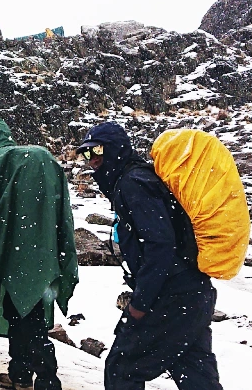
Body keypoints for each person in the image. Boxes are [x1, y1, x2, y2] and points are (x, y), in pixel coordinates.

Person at [77, 123, 221, 390]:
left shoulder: (133, 183)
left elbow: (160, 245)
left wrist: (140, 304)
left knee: (123, 368)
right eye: (86, 154)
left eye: (97, 151)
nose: (93, 160)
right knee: (195, 373)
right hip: (192, 292)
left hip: (172, 296)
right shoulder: (137, 179)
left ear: (115, 150)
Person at [0, 119, 78, 390]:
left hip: (11, 254)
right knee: (24, 308)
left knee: (24, 314)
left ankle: (47, 380)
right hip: (42, 249)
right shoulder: (43, 158)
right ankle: (19, 373)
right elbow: (61, 211)